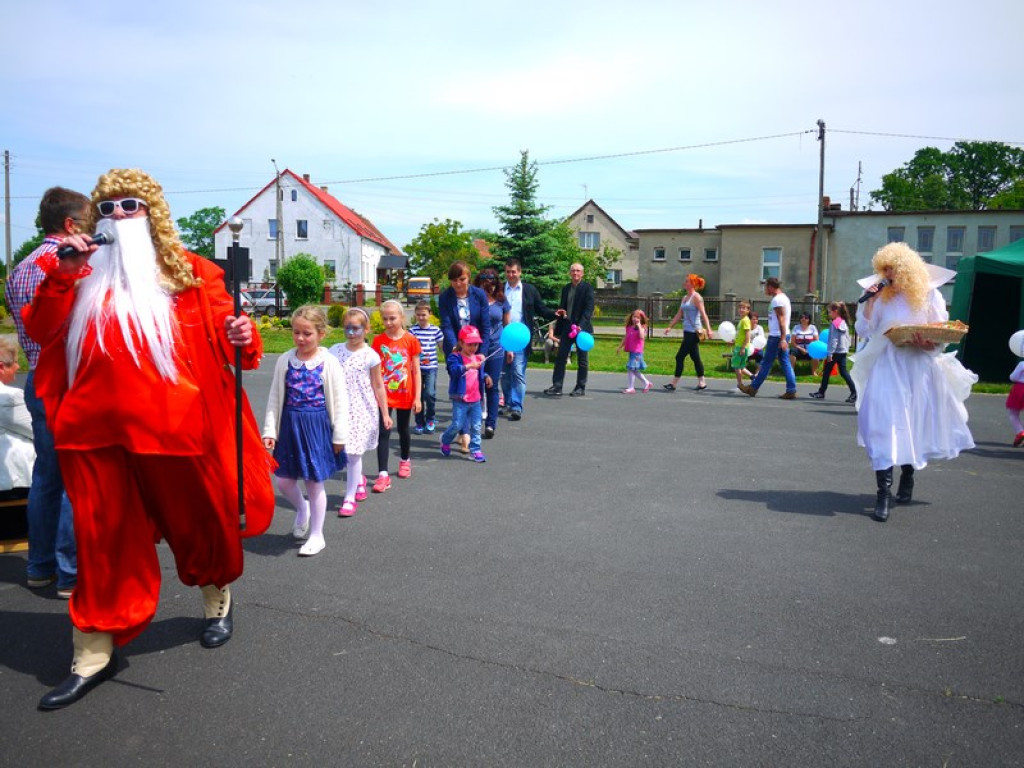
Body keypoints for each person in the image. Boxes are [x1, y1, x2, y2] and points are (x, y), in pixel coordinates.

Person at [25, 168, 275, 710]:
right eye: (108, 206)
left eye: (130, 205)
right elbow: (41, 331)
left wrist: (242, 332)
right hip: (91, 430)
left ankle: (216, 595)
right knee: (99, 539)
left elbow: (233, 336)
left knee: (199, 518)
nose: (118, 215)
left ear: (153, 213)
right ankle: (92, 646)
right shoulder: (76, 273)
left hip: (174, 426)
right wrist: (63, 276)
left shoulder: (192, 275)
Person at [851, 242, 977, 522]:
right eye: (883, 269)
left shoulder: (929, 294)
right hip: (888, 364)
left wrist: (928, 342)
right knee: (882, 424)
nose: (887, 275)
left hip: (919, 367)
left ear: (906, 270)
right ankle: (882, 493)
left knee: (913, 423)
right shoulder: (878, 295)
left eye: (892, 269)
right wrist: (870, 302)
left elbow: (941, 333)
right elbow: (863, 330)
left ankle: (907, 476)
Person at [5, 187, 86, 599]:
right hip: (68, 379)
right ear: (71, 225)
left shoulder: (19, 268)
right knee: (74, 478)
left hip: (38, 377)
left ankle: (40, 567)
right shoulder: (64, 265)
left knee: (46, 477)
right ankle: (69, 572)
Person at [263, 306, 348, 556]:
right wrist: (270, 430)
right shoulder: (285, 360)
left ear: (321, 334)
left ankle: (317, 534)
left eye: (307, 333)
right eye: (296, 332)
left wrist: (339, 435)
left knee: (314, 482)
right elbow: (275, 397)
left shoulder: (329, 362)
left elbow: (341, 402)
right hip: (290, 425)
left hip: (316, 427)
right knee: (284, 481)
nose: (301, 338)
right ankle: (303, 509)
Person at [329, 308, 392, 516]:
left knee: (354, 453)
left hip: (362, 408)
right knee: (344, 452)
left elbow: (378, 385)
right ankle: (358, 480)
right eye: (347, 328)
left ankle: (348, 498)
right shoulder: (334, 351)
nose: (351, 333)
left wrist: (385, 413)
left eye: (356, 329)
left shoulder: (370, 356)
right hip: (339, 408)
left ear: (366, 329)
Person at [371, 300, 421, 490]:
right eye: (385, 319)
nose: (389, 322)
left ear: (402, 317)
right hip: (384, 395)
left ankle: (405, 459)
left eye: (392, 318)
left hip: (404, 394)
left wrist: (417, 397)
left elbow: (416, 371)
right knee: (383, 431)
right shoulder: (378, 341)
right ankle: (383, 474)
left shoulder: (411, 341)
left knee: (403, 430)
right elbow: (374, 371)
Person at [500, 259, 555, 420]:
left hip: (521, 339)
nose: (511, 275)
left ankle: (517, 406)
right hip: (503, 338)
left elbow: (541, 309)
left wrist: (555, 313)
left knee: (517, 372)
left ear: (520, 272)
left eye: (514, 272)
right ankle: (507, 404)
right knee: (505, 374)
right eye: (508, 272)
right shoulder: (500, 290)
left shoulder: (529, 290)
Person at [739, 277, 798, 400]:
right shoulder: (782, 298)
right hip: (781, 335)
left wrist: (782, 339)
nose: (765, 289)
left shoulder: (778, 300)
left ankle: (753, 388)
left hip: (777, 336)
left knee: (766, 363)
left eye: (766, 287)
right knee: (785, 362)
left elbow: (782, 320)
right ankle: (791, 390)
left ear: (771, 286)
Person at [440, 325, 488, 462]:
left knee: (477, 425)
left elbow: (478, 374)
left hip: (476, 399)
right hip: (460, 399)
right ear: (461, 343)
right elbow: (454, 371)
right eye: (469, 344)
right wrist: (468, 366)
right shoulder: (455, 357)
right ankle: (445, 439)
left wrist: (486, 377)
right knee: (457, 425)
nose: (473, 348)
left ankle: (476, 450)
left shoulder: (477, 358)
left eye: (476, 345)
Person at [545, 263, 594, 397]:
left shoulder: (587, 288)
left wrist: (581, 325)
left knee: (582, 359)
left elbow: (589, 309)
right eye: (573, 271)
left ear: (582, 274)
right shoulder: (566, 288)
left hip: (582, 330)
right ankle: (557, 386)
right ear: (570, 273)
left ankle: (580, 387)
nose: (575, 273)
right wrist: (561, 313)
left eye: (578, 271)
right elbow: (563, 305)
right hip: (567, 327)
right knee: (561, 357)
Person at [662, 273, 713, 392]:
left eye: (687, 281)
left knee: (679, 357)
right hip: (687, 331)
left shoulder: (697, 297)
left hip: (694, 332)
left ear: (693, 284)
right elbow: (679, 314)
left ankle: (673, 384)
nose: (684, 283)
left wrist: (709, 329)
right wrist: (670, 326)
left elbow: (704, 314)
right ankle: (702, 382)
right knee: (695, 357)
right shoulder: (685, 298)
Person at [474, 268, 510, 438]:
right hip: (475, 349)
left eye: (493, 284)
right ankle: (474, 420)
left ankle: (490, 425)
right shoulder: (474, 301)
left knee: (492, 387)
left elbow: (507, 327)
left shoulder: (502, 301)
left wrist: (509, 348)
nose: (489, 288)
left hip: (496, 349)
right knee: (476, 385)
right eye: (486, 285)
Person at [0, 336, 36, 491]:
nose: (18, 366)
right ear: (1, 367)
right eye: (14, 362)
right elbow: (38, 431)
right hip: (13, 482)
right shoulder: (10, 397)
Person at [438, 260, 490, 359]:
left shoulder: (479, 295)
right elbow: (447, 326)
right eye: (454, 280)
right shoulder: (444, 297)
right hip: (455, 349)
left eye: (462, 279)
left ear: (468, 278)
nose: (458, 284)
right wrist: (455, 348)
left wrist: (483, 352)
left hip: (476, 349)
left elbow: (485, 326)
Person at [809, 302, 857, 403]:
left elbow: (834, 339)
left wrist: (830, 353)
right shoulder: (843, 322)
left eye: (830, 312)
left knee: (827, 372)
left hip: (835, 352)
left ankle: (821, 392)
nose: (829, 314)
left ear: (835, 312)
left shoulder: (835, 323)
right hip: (842, 351)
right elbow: (846, 338)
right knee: (843, 372)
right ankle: (854, 392)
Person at [409, 301, 443, 434]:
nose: (421, 317)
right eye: (418, 315)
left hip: (431, 367)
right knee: (418, 396)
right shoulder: (412, 331)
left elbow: (441, 347)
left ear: (429, 314)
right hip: (416, 368)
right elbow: (408, 349)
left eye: (423, 314)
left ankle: (430, 418)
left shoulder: (435, 330)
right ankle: (419, 422)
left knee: (429, 394)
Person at [617, 309, 652, 394]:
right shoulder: (629, 327)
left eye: (638, 317)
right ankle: (647, 383)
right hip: (632, 351)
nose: (635, 319)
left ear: (641, 319)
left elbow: (641, 336)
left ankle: (631, 388)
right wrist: (620, 347)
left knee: (630, 368)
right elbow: (626, 337)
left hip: (637, 352)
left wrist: (639, 325)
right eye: (634, 316)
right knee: (634, 370)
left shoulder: (643, 327)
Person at [730, 301, 753, 391]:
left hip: (741, 347)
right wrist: (734, 342)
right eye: (740, 308)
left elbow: (748, 336)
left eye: (744, 308)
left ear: (748, 310)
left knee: (736, 367)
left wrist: (742, 348)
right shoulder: (742, 320)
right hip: (740, 346)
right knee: (741, 366)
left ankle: (740, 384)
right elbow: (741, 335)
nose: (741, 309)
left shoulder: (745, 320)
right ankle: (753, 377)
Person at [789, 312, 820, 377]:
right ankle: (791, 371)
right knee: (792, 351)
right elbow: (792, 342)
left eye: (806, 318)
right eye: (802, 317)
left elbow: (816, 341)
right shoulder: (796, 327)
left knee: (816, 353)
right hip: (798, 349)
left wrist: (809, 349)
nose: (803, 319)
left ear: (809, 319)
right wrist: (801, 349)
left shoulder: (813, 327)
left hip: (810, 349)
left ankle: (814, 372)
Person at [1007, 355, 1024, 448]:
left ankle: (1020, 432)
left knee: (1013, 413)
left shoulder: (1022, 364)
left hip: (1020, 389)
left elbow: (1013, 377)